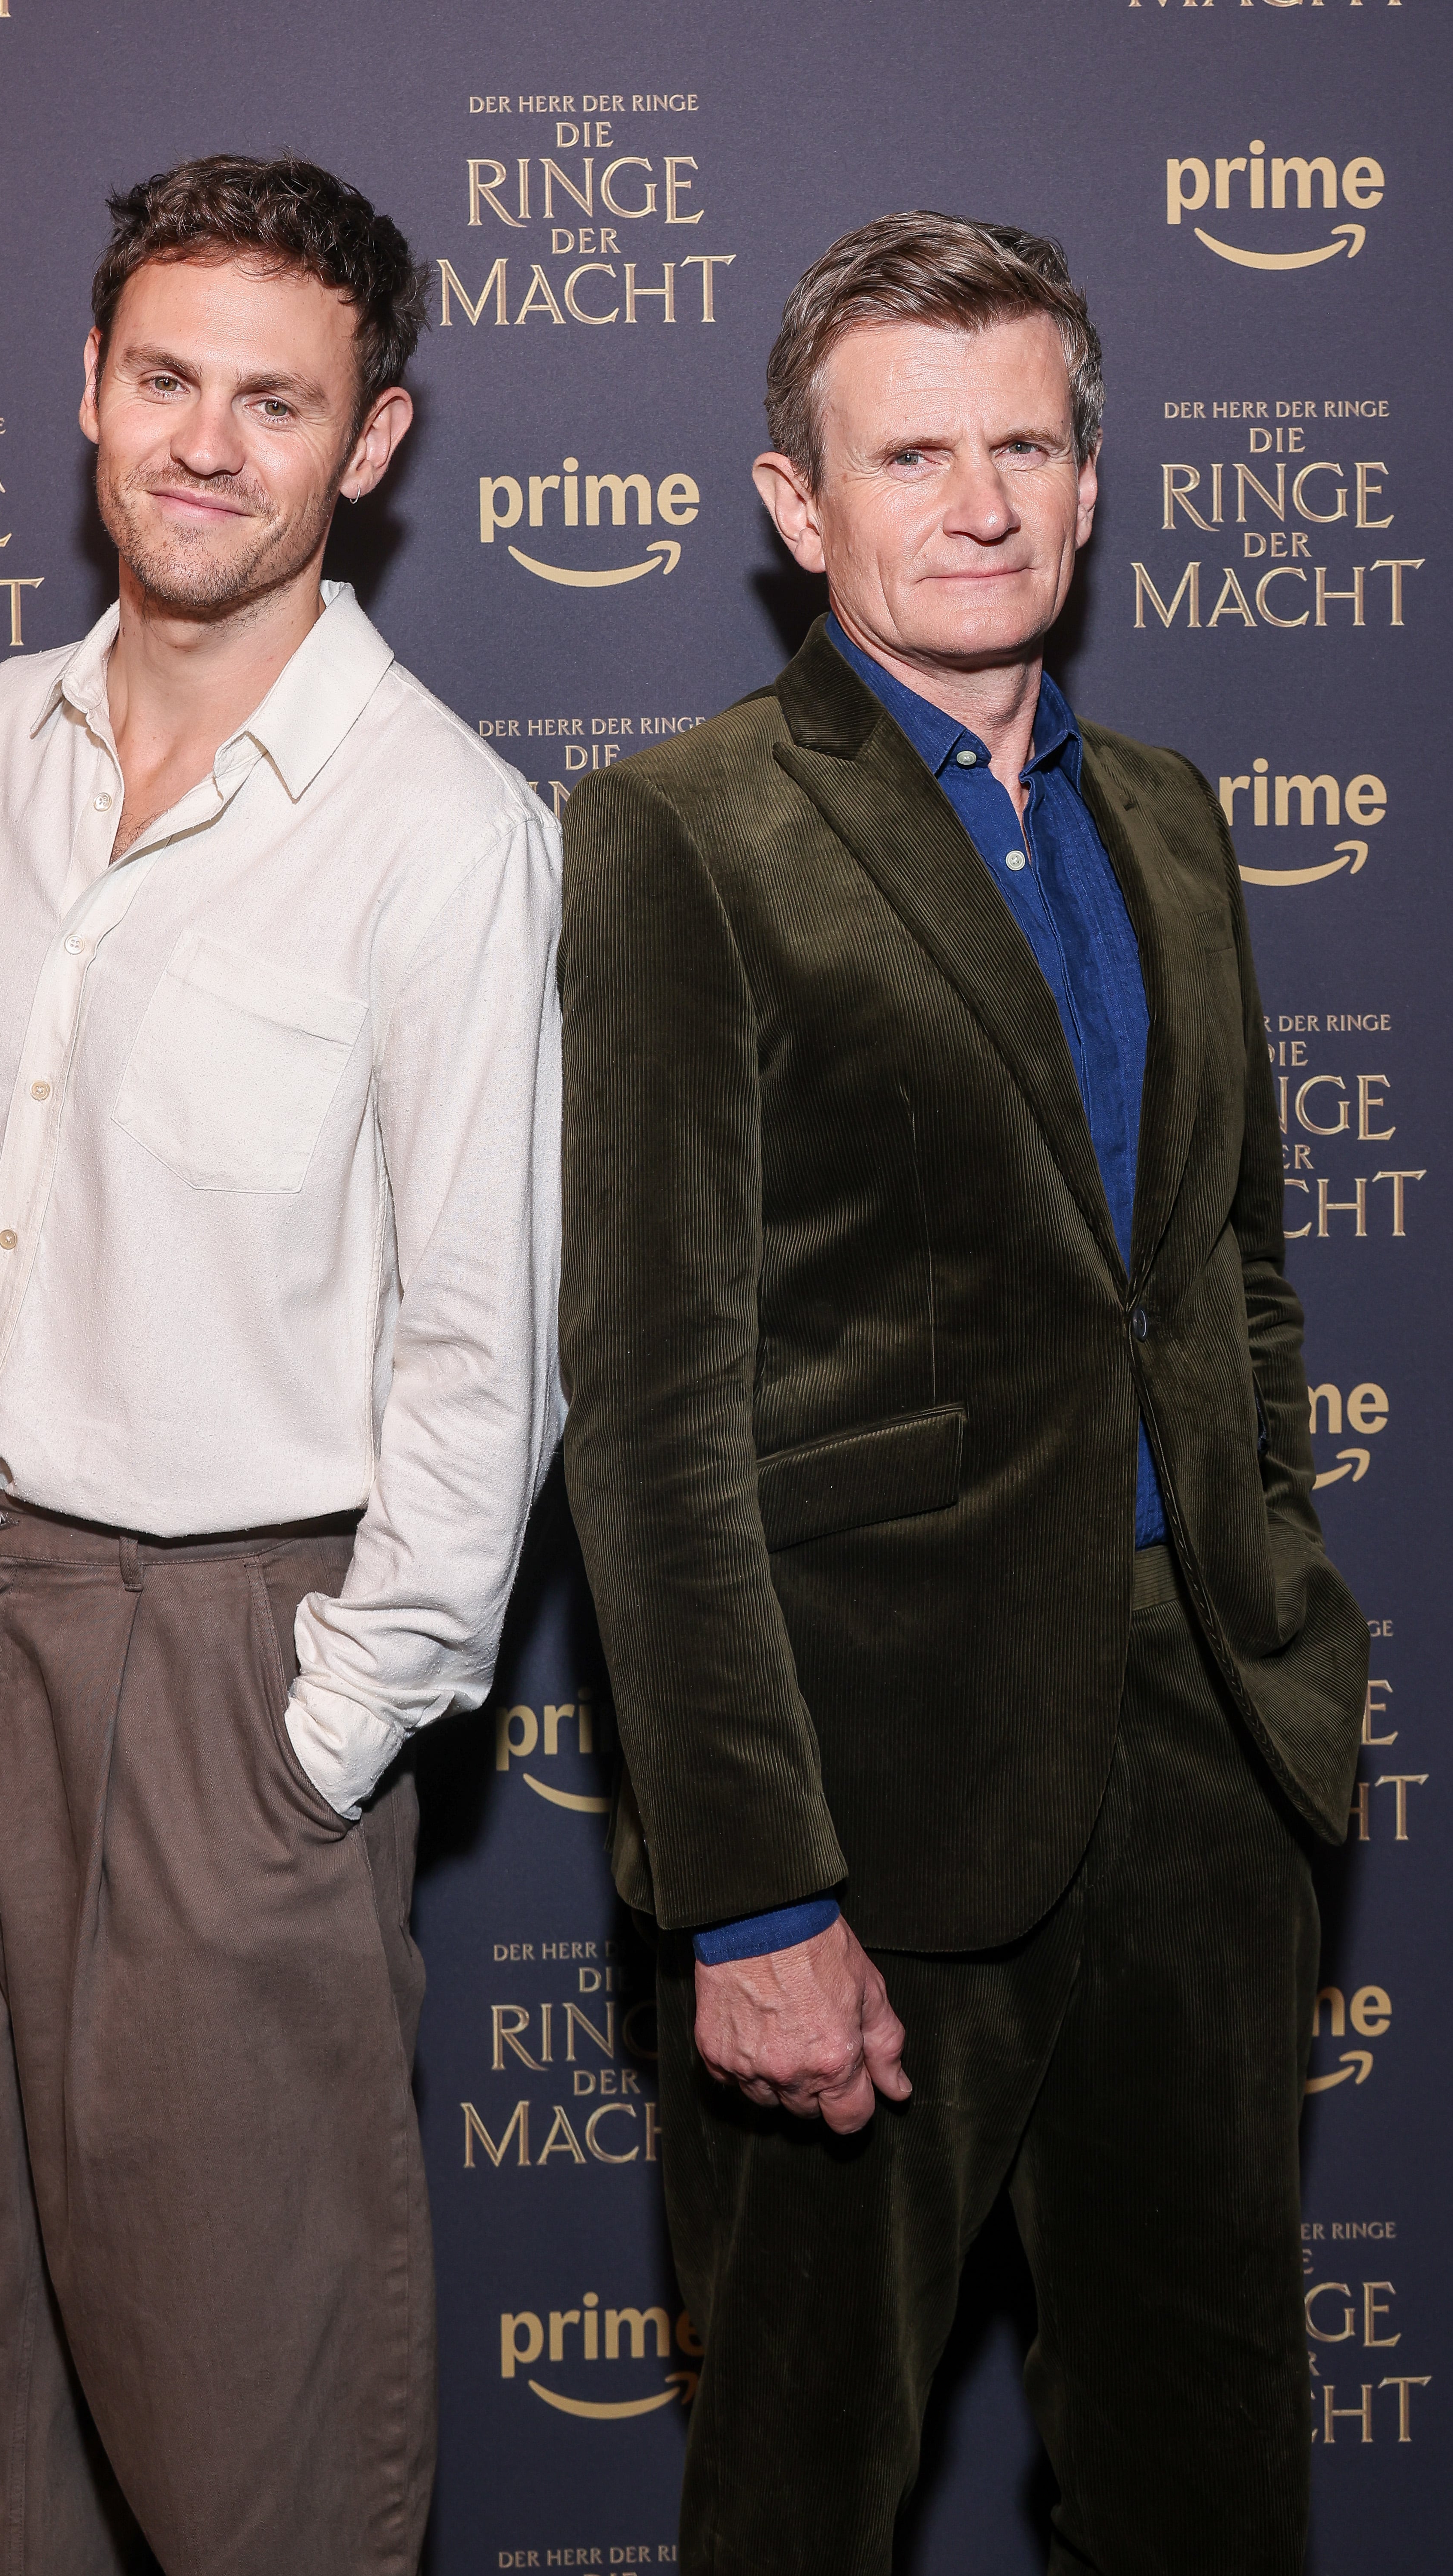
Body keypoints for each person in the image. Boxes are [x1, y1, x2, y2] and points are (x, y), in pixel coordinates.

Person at [0, 152, 562, 2576]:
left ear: (369, 443)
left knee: (252, 2434)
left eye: (275, 403)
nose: (208, 444)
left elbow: (486, 1361)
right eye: (167, 379)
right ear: (90, 389)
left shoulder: (446, 838)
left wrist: (319, 1738)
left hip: (224, 1664)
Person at [558, 210, 1365, 2575]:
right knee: (805, 2485)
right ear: (801, 508)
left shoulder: (1179, 819)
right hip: (869, 1818)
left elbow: (1234, 1281)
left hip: (1205, 1768)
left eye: (1027, 440)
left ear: (1094, 481)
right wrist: (751, 1891)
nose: (982, 499)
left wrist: (1271, 1600)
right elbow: (653, 1409)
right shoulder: (683, 833)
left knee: (1209, 2468)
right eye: (914, 452)